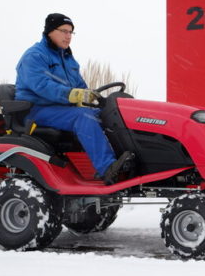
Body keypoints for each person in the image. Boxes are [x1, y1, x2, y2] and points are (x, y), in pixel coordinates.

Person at [15, 13, 132, 185]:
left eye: (71, 32)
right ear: (49, 32)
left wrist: (94, 98)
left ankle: (127, 160)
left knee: (107, 114)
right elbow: (41, 85)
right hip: (37, 110)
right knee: (83, 117)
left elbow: (80, 86)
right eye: (64, 31)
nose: (68, 36)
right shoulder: (35, 56)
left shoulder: (68, 59)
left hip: (62, 109)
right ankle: (107, 168)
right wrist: (70, 95)